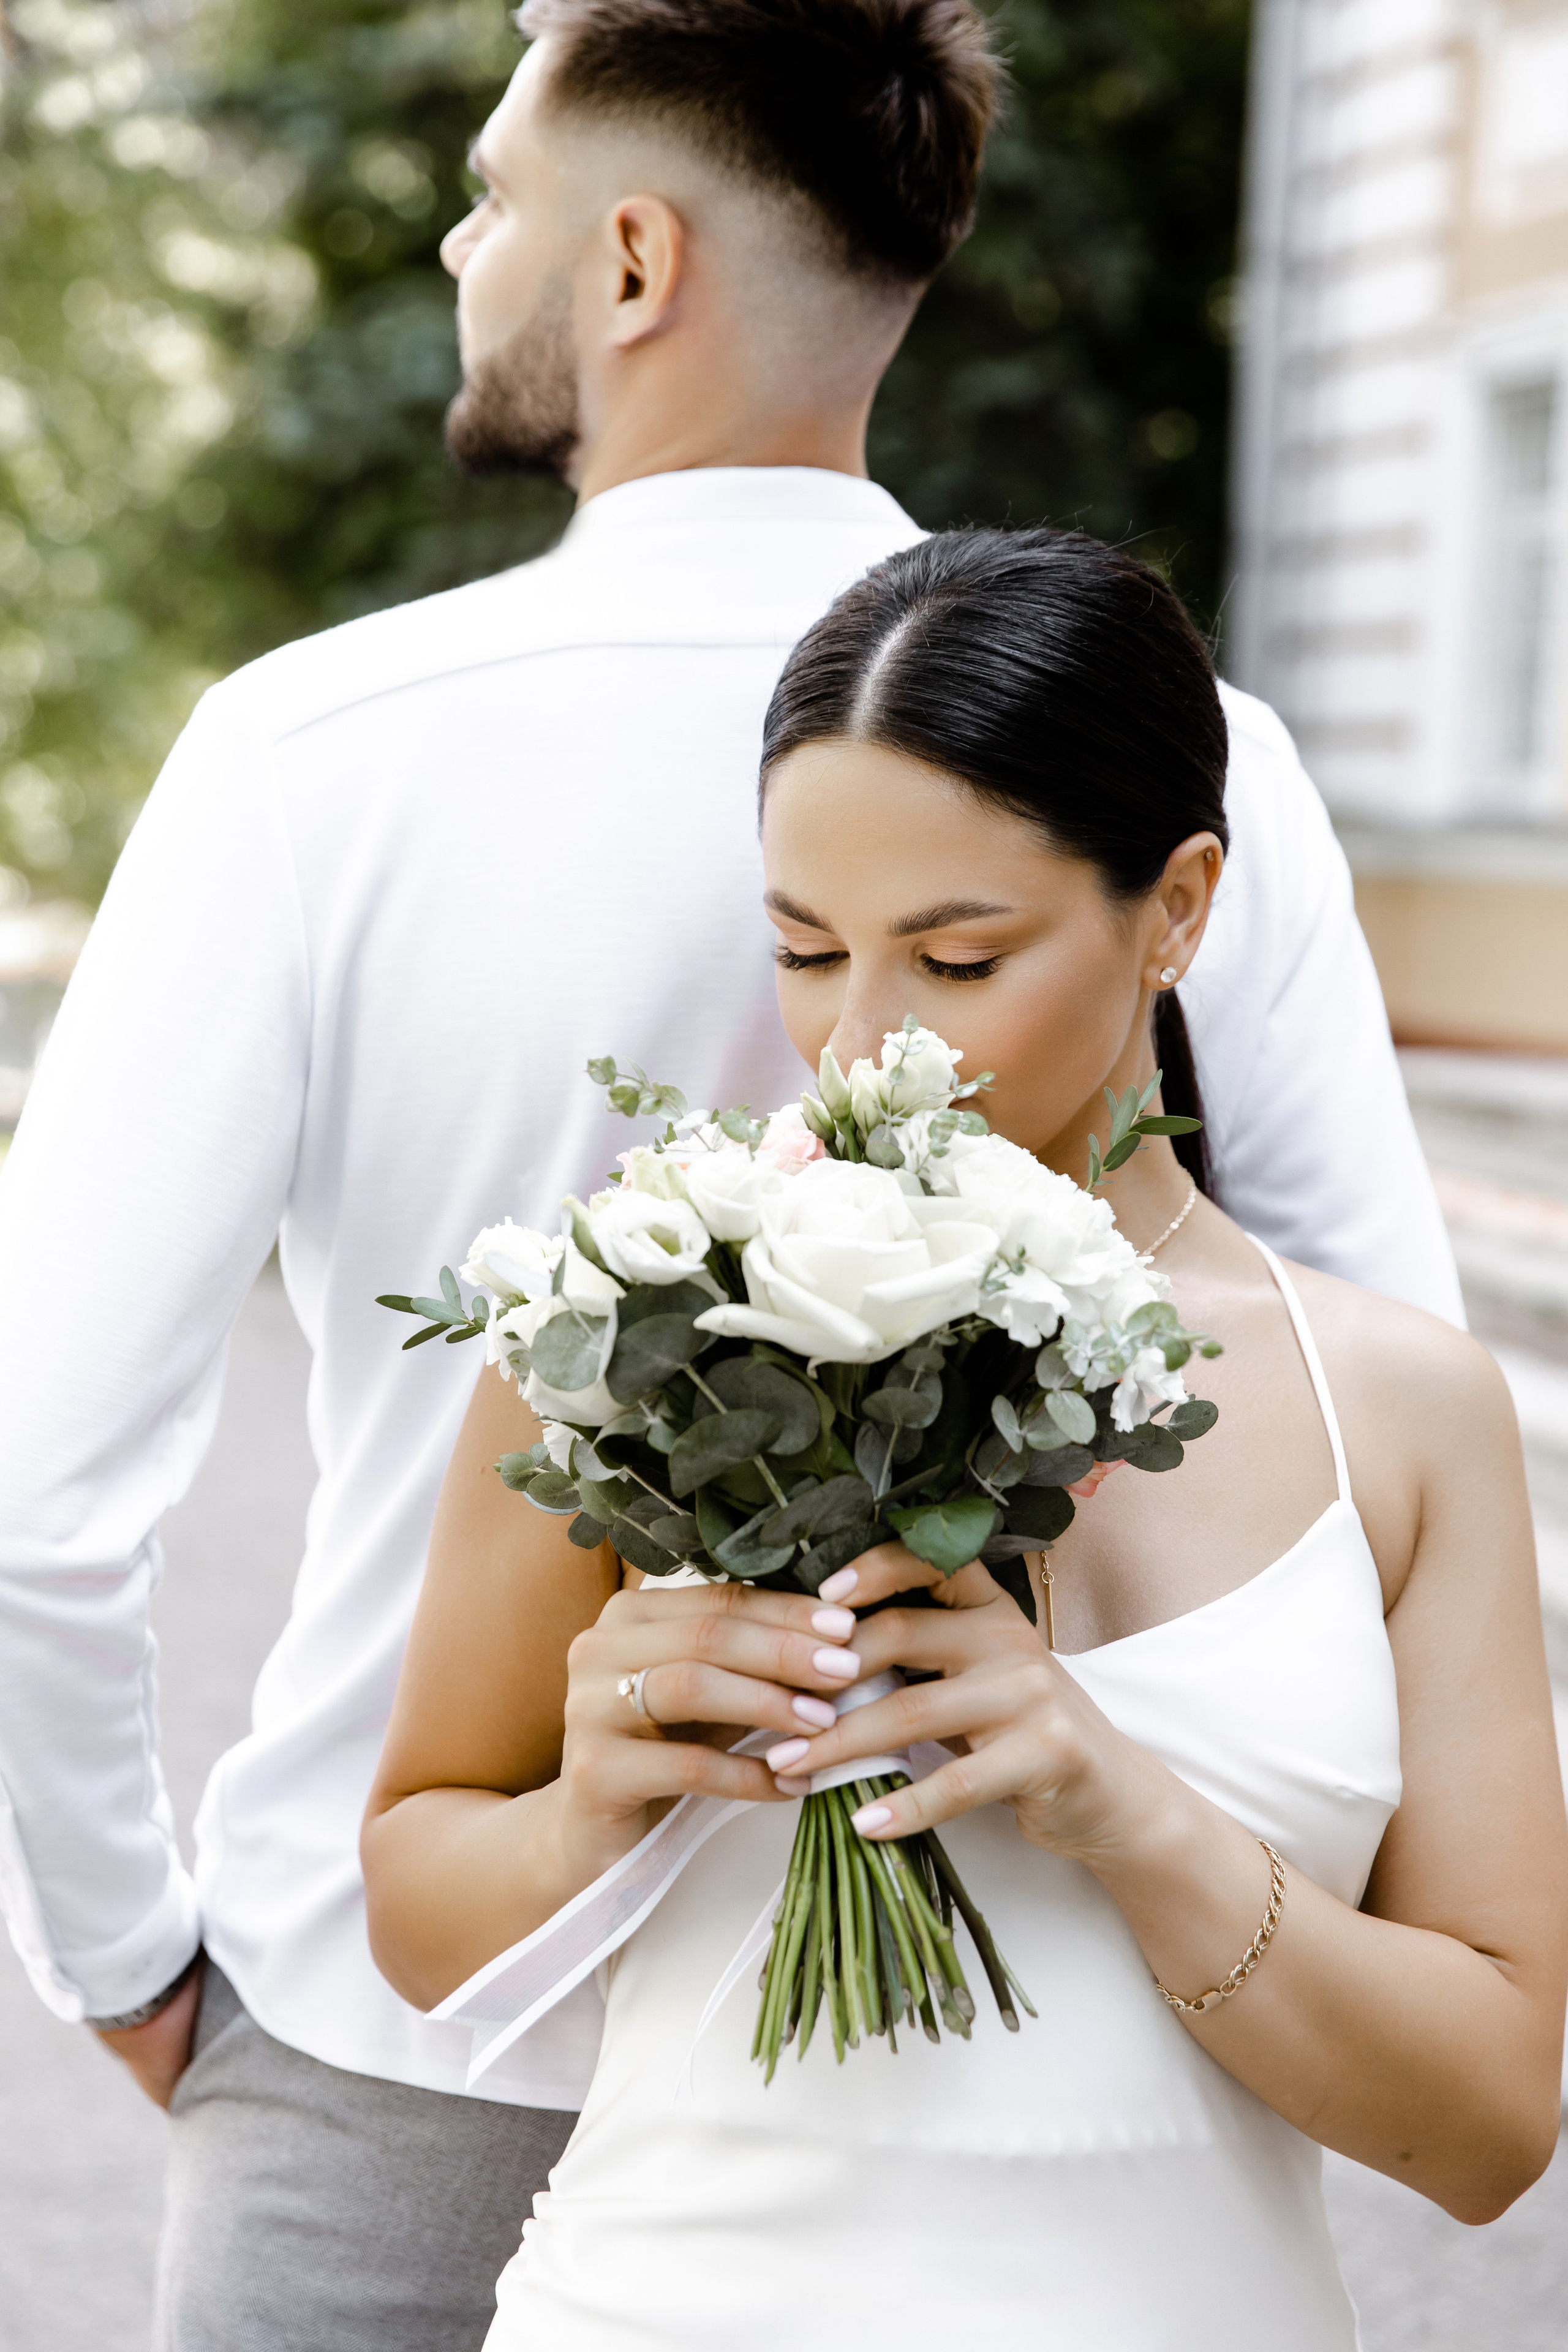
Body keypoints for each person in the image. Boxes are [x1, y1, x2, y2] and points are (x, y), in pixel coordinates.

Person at [0, 2, 1457, 2346]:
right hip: (1003, 2028)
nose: (471, 245)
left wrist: (143, 1972)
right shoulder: (1206, 763)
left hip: (409, 2038)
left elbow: (38, 1491)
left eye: (495, 194)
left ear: (638, 258)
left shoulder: (305, 755)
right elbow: (1362, 1383)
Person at [363, 530, 1567, 2352]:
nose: (860, 1051)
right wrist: (591, 1803)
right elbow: (417, 1903)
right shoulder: (634, 1329)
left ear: (1177, 907)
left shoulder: (1397, 1411)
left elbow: (1490, 2131)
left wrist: (1123, 1809)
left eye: (957, 956)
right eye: (804, 948)